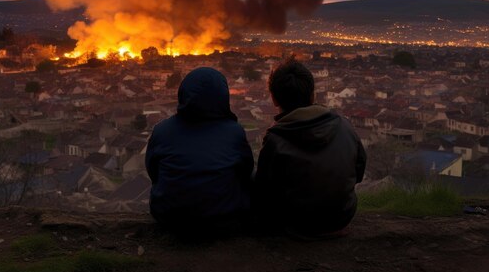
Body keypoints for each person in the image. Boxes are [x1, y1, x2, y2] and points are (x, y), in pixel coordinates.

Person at [255, 59, 366, 239]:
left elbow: (264, 188)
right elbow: (359, 170)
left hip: (296, 222)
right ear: (313, 95)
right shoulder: (344, 126)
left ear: (274, 98)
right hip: (341, 217)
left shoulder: (276, 139)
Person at [145, 67, 254, 234]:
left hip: (170, 218)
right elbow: (245, 171)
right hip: (223, 219)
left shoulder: (162, 130)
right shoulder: (234, 132)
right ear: (223, 97)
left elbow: (153, 171)